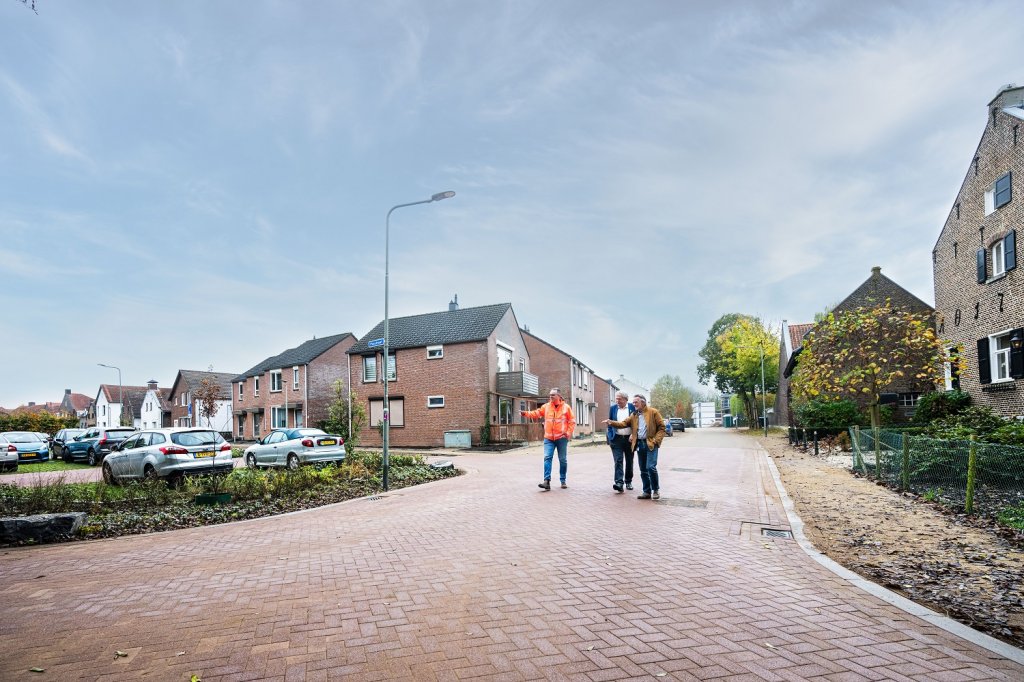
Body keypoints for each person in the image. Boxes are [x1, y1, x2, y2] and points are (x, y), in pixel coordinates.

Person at [603, 394, 666, 500]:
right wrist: (611, 422)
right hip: (640, 444)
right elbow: (623, 424)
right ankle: (646, 491)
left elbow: (662, 427)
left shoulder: (653, 412)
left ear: (643, 402)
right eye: (633, 402)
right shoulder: (634, 415)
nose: (634, 404)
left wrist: (656, 441)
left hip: (651, 444)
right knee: (643, 470)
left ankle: (655, 490)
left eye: (636, 402)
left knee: (650, 467)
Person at [521, 388, 575, 490]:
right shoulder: (546, 407)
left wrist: (568, 433)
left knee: (562, 460)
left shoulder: (566, 408)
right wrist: (526, 413)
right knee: (547, 458)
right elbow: (536, 413)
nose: (551, 397)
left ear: (559, 396)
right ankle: (547, 481)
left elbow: (572, 421)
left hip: (561, 438)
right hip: (549, 438)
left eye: (553, 395)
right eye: (550, 395)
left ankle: (563, 480)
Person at [606, 390, 636, 493]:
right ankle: (619, 483)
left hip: (629, 439)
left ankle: (628, 481)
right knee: (618, 460)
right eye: (616, 399)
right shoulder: (613, 408)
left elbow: (636, 423)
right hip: (617, 439)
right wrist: (610, 436)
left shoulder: (633, 407)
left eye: (619, 399)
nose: (617, 401)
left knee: (629, 461)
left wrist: (634, 434)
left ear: (625, 399)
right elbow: (609, 423)